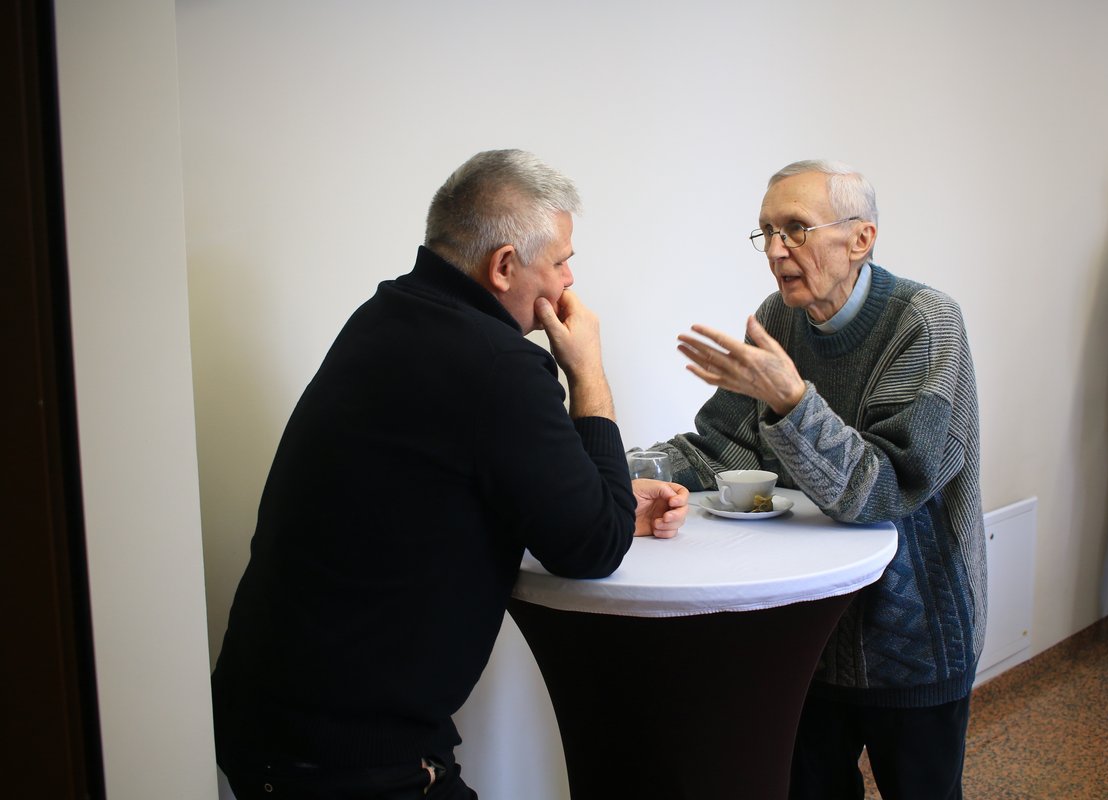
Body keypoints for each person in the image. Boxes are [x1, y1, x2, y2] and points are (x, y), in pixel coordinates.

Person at [210, 149, 690, 799]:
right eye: (560, 261)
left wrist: (606, 497)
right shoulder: (496, 362)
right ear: (504, 266)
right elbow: (593, 547)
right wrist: (588, 373)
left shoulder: (390, 314)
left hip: (277, 720)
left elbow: (458, 482)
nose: (570, 279)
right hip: (347, 755)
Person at [649, 160, 985, 799]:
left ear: (861, 238)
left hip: (915, 639)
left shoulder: (926, 321)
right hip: (808, 632)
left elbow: (885, 490)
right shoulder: (778, 319)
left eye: (796, 229)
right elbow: (723, 447)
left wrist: (792, 401)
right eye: (767, 232)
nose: (776, 250)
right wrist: (622, 469)